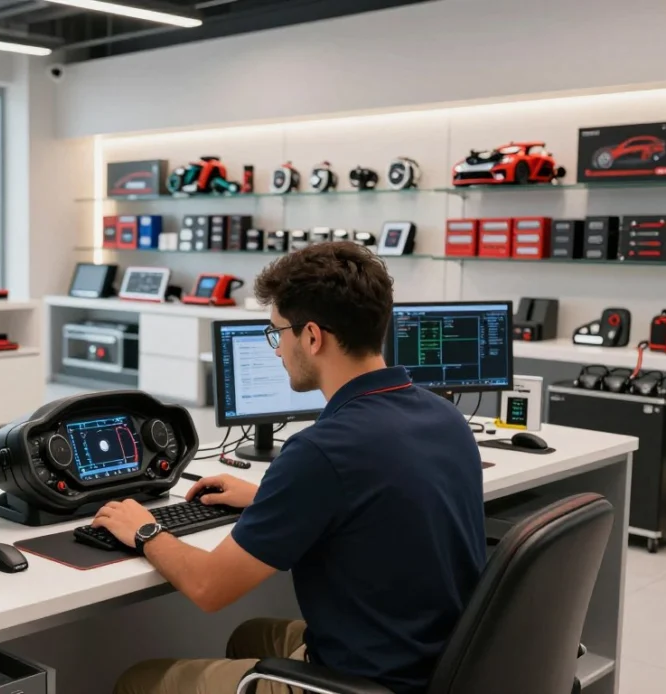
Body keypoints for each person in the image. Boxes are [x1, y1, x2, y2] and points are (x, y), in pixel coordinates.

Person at [95, 242, 486, 694]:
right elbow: (379, 503)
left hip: (368, 683)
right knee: (250, 635)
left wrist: (144, 530)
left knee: (138, 681)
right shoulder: (445, 417)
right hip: (442, 659)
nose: (277, 350)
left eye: (277, 332)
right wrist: (266, 497)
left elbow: (208, 587)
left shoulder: (321, 452)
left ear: (313, 337)